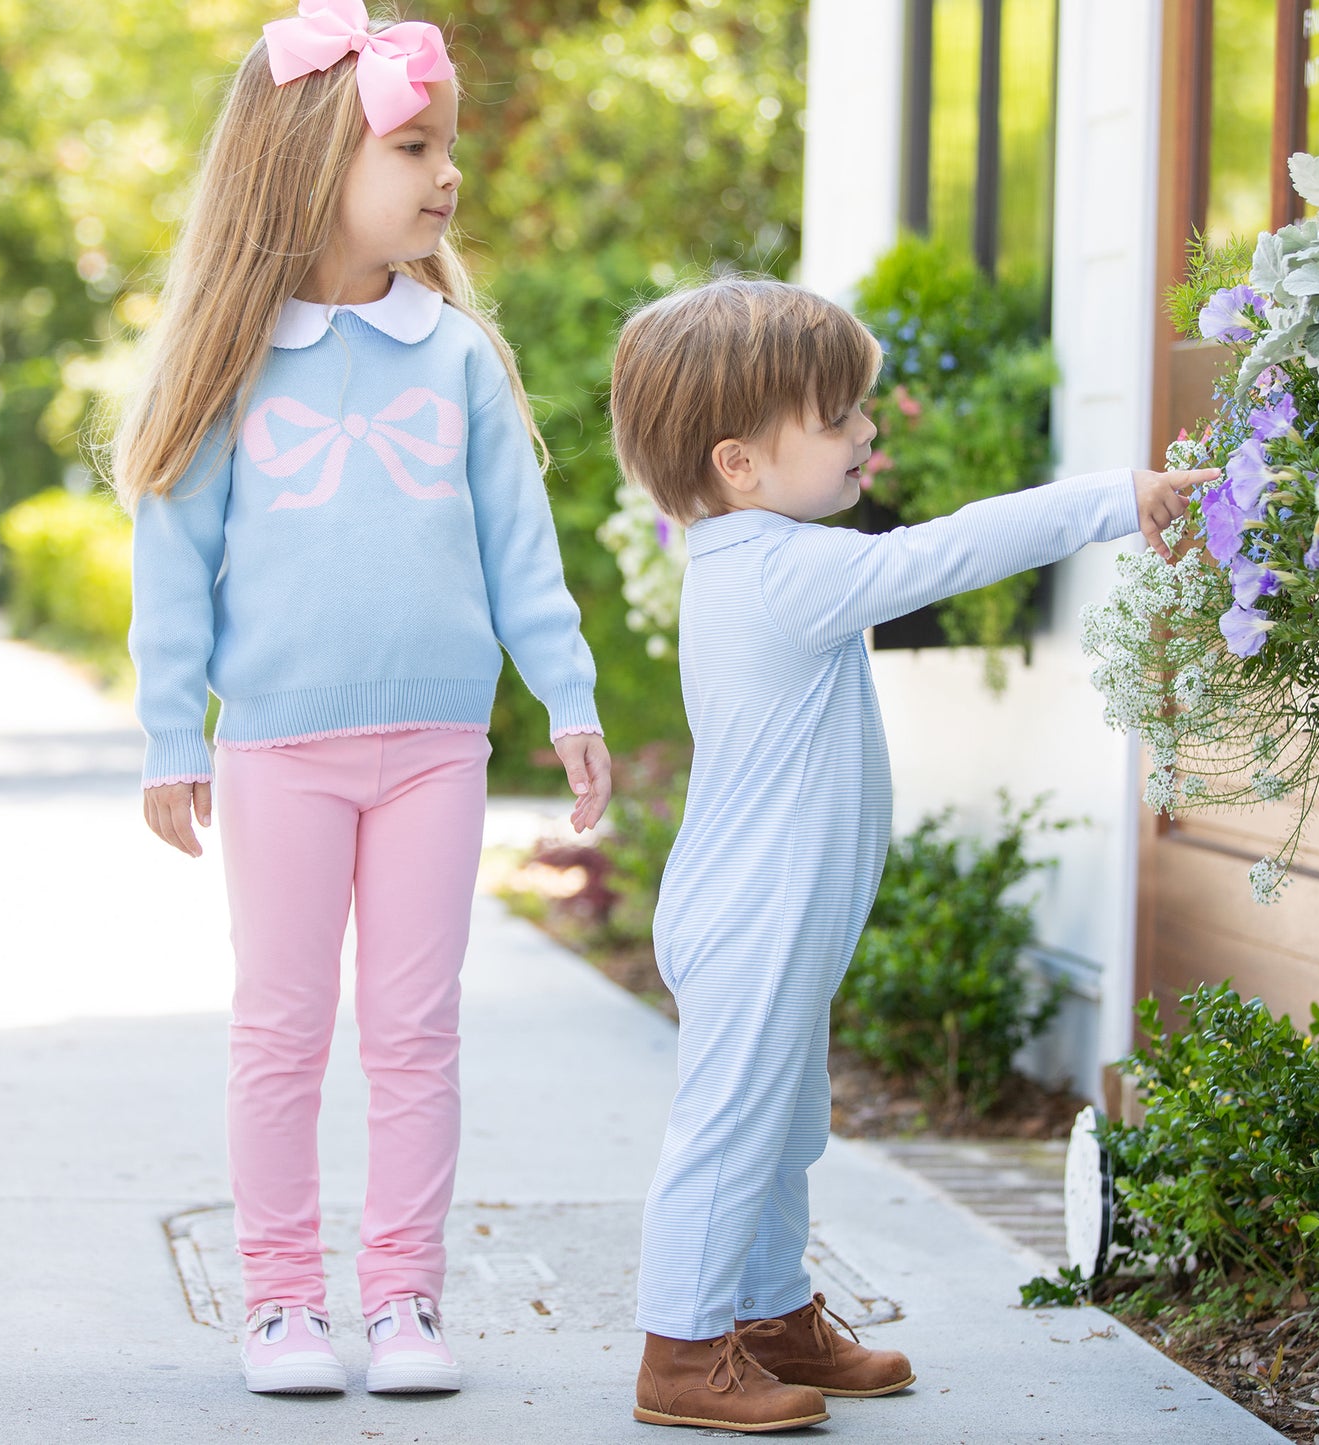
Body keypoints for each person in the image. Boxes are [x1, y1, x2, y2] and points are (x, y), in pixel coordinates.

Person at [608, 277, 1216, 1433]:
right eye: (834, 419)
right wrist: (1113, 497)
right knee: (733, 1124)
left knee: (782, 1124)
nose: (864, 432)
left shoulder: (762, 557)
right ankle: (680, 1353)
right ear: (737, 462)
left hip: (774, 908)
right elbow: (953, 548)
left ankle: (772, 1315)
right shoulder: (779, 570)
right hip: (755, 909)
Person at [113, 0, 610, 1398]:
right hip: (277, 748)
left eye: (445, 145)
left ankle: (401, 1299)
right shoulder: (230, 361)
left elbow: (526, 552)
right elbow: (175, 558)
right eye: (414, 146)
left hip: (438, 751)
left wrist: (566, 695)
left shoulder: (455, 356)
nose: (446, 175)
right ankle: (280, 1303)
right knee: (279, 1029)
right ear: (315, 165)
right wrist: (170, 733)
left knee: (416, 1032)